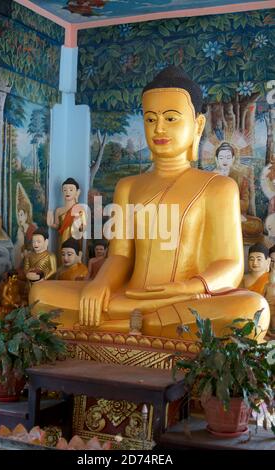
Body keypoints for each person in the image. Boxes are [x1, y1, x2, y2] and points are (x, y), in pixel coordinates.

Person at [30, 66, 269, 339]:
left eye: (170, 118)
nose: (159, 128)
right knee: (40, 295)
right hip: (130, 296)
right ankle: (147, 326)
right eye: (150, 119)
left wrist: (186, 288)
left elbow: (231, 266)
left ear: (198, 125)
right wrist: (100, 285)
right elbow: (120, 255)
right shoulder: (128, 186)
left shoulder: (218, 187)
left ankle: (131, 327)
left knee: (251, 309)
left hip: (186, 299)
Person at [215, 142, 263, 242]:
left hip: (236, 216)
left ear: (233, 159)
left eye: (228, 157)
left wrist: (231, 206)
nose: (225, 161)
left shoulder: (240, 178)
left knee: (257, 225)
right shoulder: (210, 177)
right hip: (216, 216)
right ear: (216, 159)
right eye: (221, 157)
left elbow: (245, 203)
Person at [47, 178, 86, 255]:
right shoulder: (58, 210)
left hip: (74, 239)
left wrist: (78, 224)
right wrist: (51, 224)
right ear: (62, 192)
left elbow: (83, 228)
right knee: (62, 256)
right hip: (62, 239)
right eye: (65, 190)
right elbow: (58, 226)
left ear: (77, 192)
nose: (67, 192)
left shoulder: (80, 209)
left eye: (71, 190)